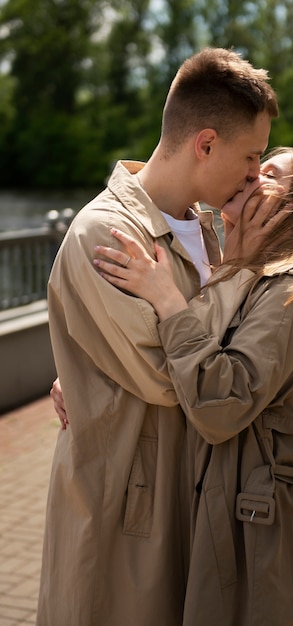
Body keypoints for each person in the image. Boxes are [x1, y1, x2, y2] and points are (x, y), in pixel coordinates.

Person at [37, 47, 279, 626]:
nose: (254, 175)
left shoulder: (208, 227)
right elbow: (173, 381)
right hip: (128, 509)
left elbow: (208, 362)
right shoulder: (108, 232)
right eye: (251, 157)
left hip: (188, 495)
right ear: (205, 144)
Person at [88, 146, 293, 625]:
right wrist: (90, 377)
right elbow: (173, 359)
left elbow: (220, 403)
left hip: (269, 540)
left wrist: (168, 298)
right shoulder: (236, 268)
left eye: (268, 172)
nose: (250, 172)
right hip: (235, 521)